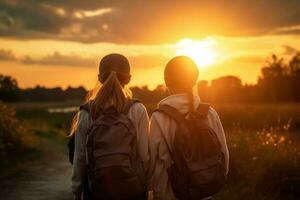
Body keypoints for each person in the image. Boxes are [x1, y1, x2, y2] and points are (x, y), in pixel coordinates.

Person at [71, 53, 150, 200]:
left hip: (96, 190)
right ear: (129, 79)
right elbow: (145, 155)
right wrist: (145, 185)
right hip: (132, 190)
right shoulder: (137, 109)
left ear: (100, 78)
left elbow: (80, 157)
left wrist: (77, 190)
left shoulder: (87, 112)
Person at [149, 56, 229, 200]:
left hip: (169, 195)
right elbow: (224, 156)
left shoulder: (159, 118)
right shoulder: (209, 113)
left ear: (167, 82)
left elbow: (151, 164)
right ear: (194, 81)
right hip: (204, 194)